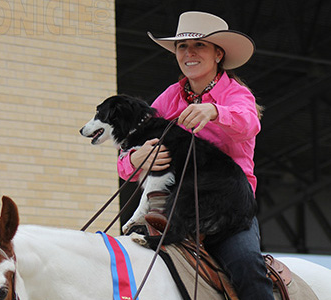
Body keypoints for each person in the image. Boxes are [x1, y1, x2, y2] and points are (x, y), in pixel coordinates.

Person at [117, 11, 274, 300]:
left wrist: (215, 111)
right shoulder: (168, 98)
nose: (189, 53)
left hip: (226, 207)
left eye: (199, 45)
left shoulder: (237, 95)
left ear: (218, 54)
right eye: (182, 47)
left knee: (247, 265)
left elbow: (250, 124)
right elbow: (131, 152)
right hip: (174, 203)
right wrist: (136, 159)